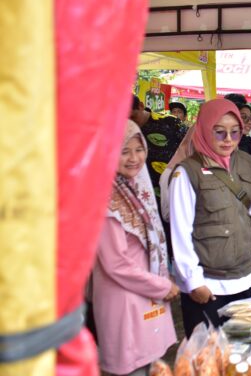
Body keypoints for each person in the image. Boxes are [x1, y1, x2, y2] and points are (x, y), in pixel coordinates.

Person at [169, 99, 251, 337]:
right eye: (219, 133)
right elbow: (181, 232)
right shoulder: (186, 173)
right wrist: (193, 282)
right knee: (211, 360)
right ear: (205, 131)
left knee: (248, 353)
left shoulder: (247, 163)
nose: (228, 139)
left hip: (248, 278)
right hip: (210, 285)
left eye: (234, 132)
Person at [92, 120, 178, 376]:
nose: (134, 158)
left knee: (153, 365)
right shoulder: (105, 199)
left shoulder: (133, 188)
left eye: (138, 149)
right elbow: (115, 264)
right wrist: (163, 286)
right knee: (134, 368)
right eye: (124, 150)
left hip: (146, 292)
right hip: (124, 301)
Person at [130, 95, 188, 200]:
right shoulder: (123, 130)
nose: (130, 123)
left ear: (141, 106)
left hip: (172, 191)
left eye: (133, 117)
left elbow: (192, 148)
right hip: (141, 195)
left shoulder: (171, 123)